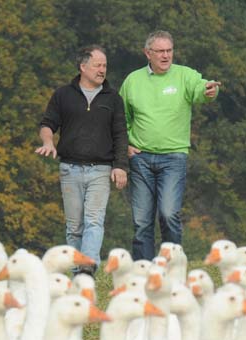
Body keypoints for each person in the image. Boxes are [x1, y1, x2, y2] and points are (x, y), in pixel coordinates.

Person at [119, 30, 221, 261]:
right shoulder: (132, 81)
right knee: (142, 220)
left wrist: (209, 90)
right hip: (140, 158)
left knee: (168, 214)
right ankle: (143, 271)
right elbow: (120, 117)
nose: (166, 56)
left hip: (173, 158)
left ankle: (172, 266)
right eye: (160, 51)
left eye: (169, 51)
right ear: (148, 53)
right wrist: (125, 145)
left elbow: (200, 88)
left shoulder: (184, 75)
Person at [36, 45, 128, 275]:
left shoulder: (113, 98)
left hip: (100, 169)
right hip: (70, 169)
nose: (102, 70)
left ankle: (87, 266)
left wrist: (120, 167)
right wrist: (48, 143)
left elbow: (120, 134)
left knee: (94, 220)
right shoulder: (63, 95)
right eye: (97, 65)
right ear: (83, 67)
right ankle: (77, 269)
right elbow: (47, 125)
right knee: (74, 226)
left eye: (105, 65)